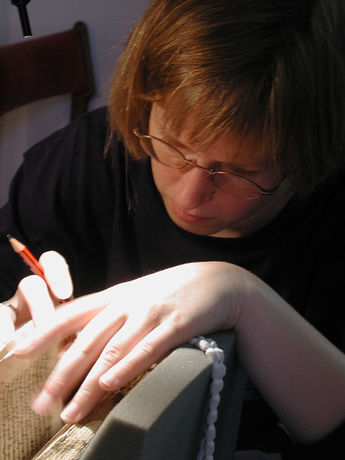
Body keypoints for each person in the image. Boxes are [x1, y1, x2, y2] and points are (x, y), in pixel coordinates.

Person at [1, 0, 345, 458]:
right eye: (173, 148)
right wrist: (9, 312)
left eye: (239, 172)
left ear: (305, 156)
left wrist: (241, 298)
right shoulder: (85, 161)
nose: (189, 196)